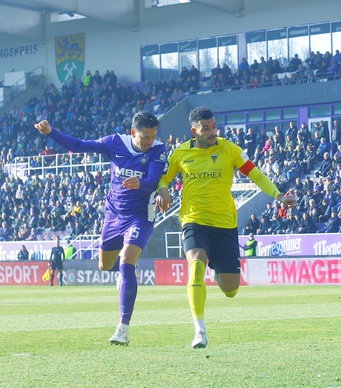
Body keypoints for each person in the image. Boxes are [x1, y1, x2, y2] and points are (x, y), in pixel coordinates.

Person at [156, 106, 297, 349]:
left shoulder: (229, 149)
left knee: (230, 289)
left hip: (225, 225)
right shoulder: (180, 153)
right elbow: (164, 177)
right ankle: (199, 330)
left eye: (214, 127)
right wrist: (164, 189)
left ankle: (215, 266)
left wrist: (278, 195)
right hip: (194, 221)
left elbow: (256, 174)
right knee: (196, 262)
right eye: (206, 129)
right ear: (194, 131)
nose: (212, 132)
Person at [35, 112, 167, 345]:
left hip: (140, 216)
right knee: (105, 265)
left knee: (127, 261)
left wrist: (143, 184)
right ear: (133, 133)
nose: (149, 142)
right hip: (114, 215)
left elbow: (154, 180)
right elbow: (78, 145)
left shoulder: (158, 149)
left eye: (153, 136)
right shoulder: (114, 143)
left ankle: (123, 328)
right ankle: (125, 276)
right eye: (145, 137)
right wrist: (51, 132)